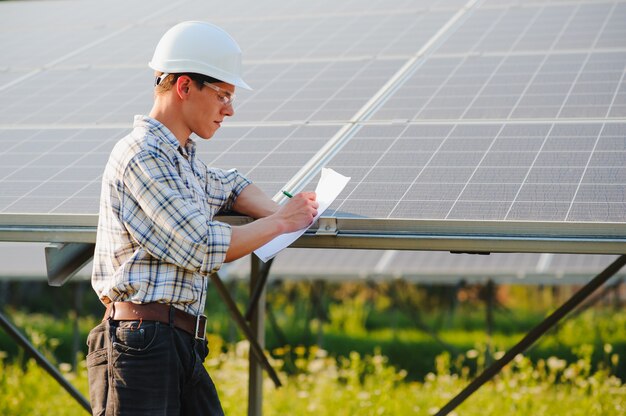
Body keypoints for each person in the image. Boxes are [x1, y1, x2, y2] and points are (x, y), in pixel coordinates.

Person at [86, 21, 318, 416]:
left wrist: (282, 211)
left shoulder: (183, 162)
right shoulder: (143, 155)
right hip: (140, 344)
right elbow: (200, 244)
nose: (230, 109)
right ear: (184, 87)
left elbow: (231, 186)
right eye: (223, 95)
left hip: (175, 342)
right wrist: (281, 224)